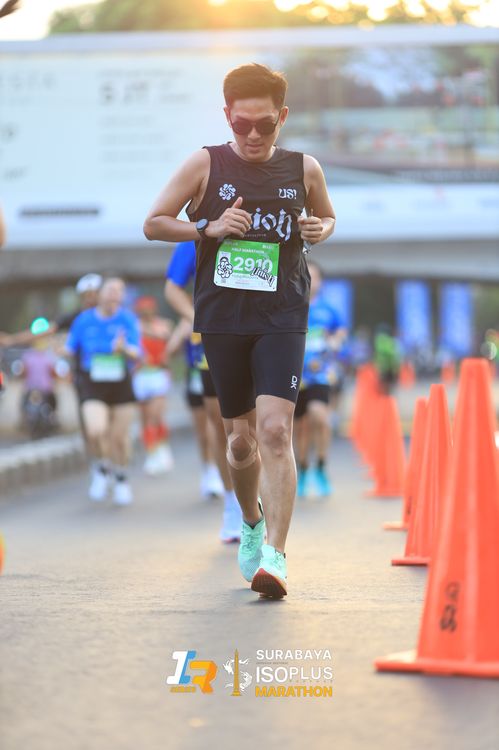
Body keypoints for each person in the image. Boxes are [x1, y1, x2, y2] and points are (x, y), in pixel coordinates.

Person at [144, 63, 335, 597]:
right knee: (240, 440)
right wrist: (206, 226)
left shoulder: (305, 168)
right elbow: (154, 222)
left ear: (282, 118)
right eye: (241, 124)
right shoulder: (205, 163)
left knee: (275, 430)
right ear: (227, 116)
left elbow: (327, 219)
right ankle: (250, 520)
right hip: (224, 320)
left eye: (265, 125)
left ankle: (276, 553)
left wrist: (319, 229)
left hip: (283, 316)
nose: (253, 135)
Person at [165, 240, 243, 541]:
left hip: (260, 331)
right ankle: (232, 502)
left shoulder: (266, 222)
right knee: (221, 424)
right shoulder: (195, 237)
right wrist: (195, 316)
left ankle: (256, 502)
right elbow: (172, 288)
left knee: (258, 423)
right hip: (211, 337)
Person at [66, 278, 141, 505]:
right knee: (96, 430)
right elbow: (70, 348)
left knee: (119, 438)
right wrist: (60, 350)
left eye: (119, 291)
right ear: (99, 294)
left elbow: (137, 352)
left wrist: (123, 348)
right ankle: (101, 467)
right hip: (93, 382)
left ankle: (121, 479)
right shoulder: (83, 320)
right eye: (110, 290)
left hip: (121, 382)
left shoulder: (127, 319)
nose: (114, 294)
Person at [293, 261, 346, 499]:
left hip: (321, 373)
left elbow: (341, 331)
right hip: (294, 373)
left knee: (320, 416)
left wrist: (335, 341)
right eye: (305, 275)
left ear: (321, 282)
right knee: (300, 427)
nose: (310, 280)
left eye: (314, 276)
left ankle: (322, 466)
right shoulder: (290, 305)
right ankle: (303, 468)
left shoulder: (329, 309)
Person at [132, 296, 174, 475]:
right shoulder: (134, 326)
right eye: (142, 309)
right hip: (141, 375)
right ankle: (151, 453)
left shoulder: (163, 324)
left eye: (148, 308)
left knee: (155, 416)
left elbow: (167, 337)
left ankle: (162, 449)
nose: (145, 312)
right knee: (144, 418)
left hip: (158, 374)